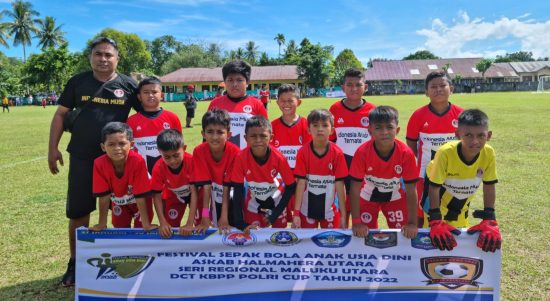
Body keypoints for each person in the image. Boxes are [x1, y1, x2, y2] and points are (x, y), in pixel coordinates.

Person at [47, 36, 140, 287]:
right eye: (98, 54)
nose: (103, 59)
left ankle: (126, 260)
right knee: (79, 212)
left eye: (108, 55)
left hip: (118, 162)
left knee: (124, 211)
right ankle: (76, 263)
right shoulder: (78, 82)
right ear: (91, 57)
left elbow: (147, 115)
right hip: (82, 157)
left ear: (117, 59)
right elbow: (60, 115)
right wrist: (52, 149)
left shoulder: (128, 86)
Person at [426, 109, 500, 252]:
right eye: (468, 135)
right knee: (432, 243)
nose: (475, 141)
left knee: (458, 243)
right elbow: (433, 187)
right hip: (434, 195)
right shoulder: (445, 152)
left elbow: (489, 185)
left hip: (459, 200)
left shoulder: (489, 153)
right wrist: (435, 220)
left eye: (481, 135)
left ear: (489, 135)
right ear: (457, 134)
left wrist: (489, 218)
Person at [349, 106, 419, 239]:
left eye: (389, 127)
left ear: (397, 130)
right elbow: (354, 188)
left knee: (403, 236)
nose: (384, 132)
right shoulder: (362, 152)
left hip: (395, 197)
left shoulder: (406, 154)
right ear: (370, 131)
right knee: (364, 236)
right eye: (378, 128)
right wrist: (356, 221)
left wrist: (412, 223)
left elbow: (411, 189)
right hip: (368, 197)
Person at [406, 70, 463, 227]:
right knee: (421, 213)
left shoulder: (461, 115)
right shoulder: (418, 115)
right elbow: (411, 146)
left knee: (451, 211)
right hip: (424, 174)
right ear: (426, 92)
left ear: (451, 88)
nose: (438, 89)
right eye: (433, 87)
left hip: (453, 173)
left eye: (442, 85)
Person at [230, 116, 296, 232]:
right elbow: (238, 190)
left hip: (276, 200)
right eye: (253, 136)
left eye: (263, 136)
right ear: (245, 138)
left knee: (280, 236)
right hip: (253, 202)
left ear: (271, 137)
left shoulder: (279, 157)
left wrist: (277, 212)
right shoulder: (240, 157)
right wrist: (240, 222)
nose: (258, 140)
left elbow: (291, 186)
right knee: (253, 235)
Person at [329, 68, 376, 226]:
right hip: (341, 169)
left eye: (358, 84)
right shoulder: (334, 109)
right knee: (343, 213)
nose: (354, 88)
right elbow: (331, 142)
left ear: (366, 87)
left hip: (365, 170)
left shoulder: (373, 111)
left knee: (364, 213)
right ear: (343, 87)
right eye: (349, 85)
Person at [90, 122, 156, 231]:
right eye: (111, 144)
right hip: (119, 202)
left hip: (140, 201)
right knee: (120, 229)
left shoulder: (138, 161)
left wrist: (146, 224)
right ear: (103, 147)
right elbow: (104, 196)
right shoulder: (99, 164)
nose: (117, 148)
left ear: (132, 144)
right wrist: (102, 223)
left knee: (141, 231)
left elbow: (140, 195)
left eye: (122, 143)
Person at [292, 109, 347, 229]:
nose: (320, 129)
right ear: (308, 129)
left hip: (330, 212)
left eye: (325, 125)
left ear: (332, 130)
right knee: (306, 245)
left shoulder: (337, 153)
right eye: (315, 125)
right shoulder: (303, 152)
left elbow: (340, 184)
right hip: (306, 211)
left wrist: (343, 214)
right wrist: (296, 213)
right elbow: (300, 183)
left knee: (332, 244)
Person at [192, 109, 240, 233]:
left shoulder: (235, 152)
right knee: (205, 220)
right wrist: (205, 216)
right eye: (210, 132)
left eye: (220, 132)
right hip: (211, 192)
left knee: (230, 223)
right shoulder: (199, 151)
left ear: (228, 135)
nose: (214, 137)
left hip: (229, 193)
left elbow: (227, 187)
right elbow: (206, 186)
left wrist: (224, 218)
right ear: (203, 133)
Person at [127, 77, 182, 176]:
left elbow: (179, 146)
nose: (150, 95)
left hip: (169, 173)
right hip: (141, 173)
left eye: (154, 92)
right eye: (146, 92)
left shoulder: (172, 118)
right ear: (139, 97)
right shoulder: (131, 121)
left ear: (161, 95)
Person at [207, 60, 267, 149]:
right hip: (223, 160)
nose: (235, 84)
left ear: (247, 83)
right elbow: (208, 134)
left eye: (239, 80)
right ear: (225, 82)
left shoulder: (257, 105)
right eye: (230, 80)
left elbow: (265, 134)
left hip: (248, 159)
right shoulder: (215, 104)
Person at [151, 129, 199, 238]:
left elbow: (195, 193)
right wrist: (162, 222)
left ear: (184, 148)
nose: (172, 161)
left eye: (176, 155)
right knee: (169, 227)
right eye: (167, 157)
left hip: (197, 196)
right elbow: (156, 196)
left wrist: (189, 223)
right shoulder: (158, 168)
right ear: (159, 152)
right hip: (175, 195)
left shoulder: (192, 162)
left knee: (203, 220)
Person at [270, 84, 311, 169]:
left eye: (290, 100)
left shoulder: (307, 125)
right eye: (283, 101)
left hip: (301, 176)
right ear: (277, 103)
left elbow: (310, 153)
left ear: (299, 102)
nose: (286, 104)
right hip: (280, 176)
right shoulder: (271, 126)